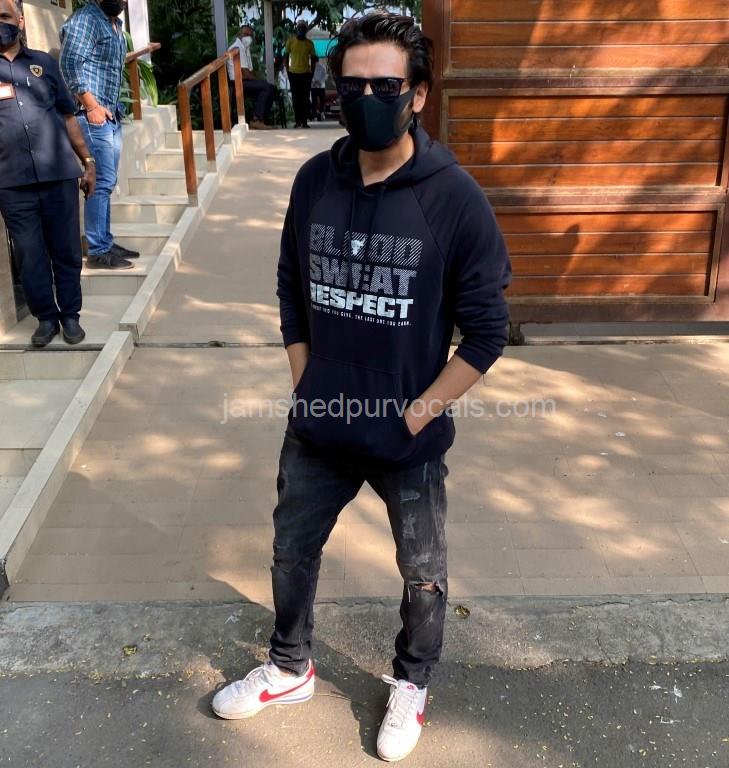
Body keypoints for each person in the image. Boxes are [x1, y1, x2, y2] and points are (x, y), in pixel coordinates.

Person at [211, 11, 512, 763]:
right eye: (352, 86)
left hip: (406, 441)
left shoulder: (454, 198)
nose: (367, 99)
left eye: (385, 86)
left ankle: (411, 681)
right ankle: (290, 667)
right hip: (318, 428)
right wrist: (306, 384)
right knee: (290, 552)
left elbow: (486, 334)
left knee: (423, 574)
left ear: (418, 94)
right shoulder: (315, 179)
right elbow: (291, 285)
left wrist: (414, 417)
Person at [0, 0, 96, 347]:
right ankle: (45, 318)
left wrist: (88, 162)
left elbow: (68, 116)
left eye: (5, 17)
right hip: (11, 183)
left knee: (66, 250)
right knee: (29, 255)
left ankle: (70, 315)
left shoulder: (44, 64)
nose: (0, 23)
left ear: (20, 21)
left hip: (58, 175)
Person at [60, 0, 138, 271]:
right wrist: (92, 106)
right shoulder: (86, 20)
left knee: (107, 182)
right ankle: (97, 250)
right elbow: (69, 64)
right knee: (101, 181)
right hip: (92, 115)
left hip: (109, 113)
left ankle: (105, 241)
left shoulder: (114, 24)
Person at [226, 24, 275, 130]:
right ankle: (256, 120)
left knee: (270, 87)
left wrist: (258, 80)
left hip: (244, 80)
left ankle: (261, 119)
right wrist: (258, 80)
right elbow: (245, 72)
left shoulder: (245, 48)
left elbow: (250, 70)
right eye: (245, 34)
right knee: (266, 87)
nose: (248, 37)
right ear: (239, 35)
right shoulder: (237, 47)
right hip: (238, 81)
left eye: (250, 35)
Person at [284, 18, 316, 128]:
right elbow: (286, 56)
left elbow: (313, 59)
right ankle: (298, 121)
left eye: (303, 28)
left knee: (305, 98)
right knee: (296, 98)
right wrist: (287, 70)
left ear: (306, 30)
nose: (301, 29)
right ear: (297, 29)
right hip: (293, 73)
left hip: (306, 74)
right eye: (300, 28)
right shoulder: (291, 41)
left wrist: (312, 73)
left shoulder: (309, 43)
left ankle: (304, 121)